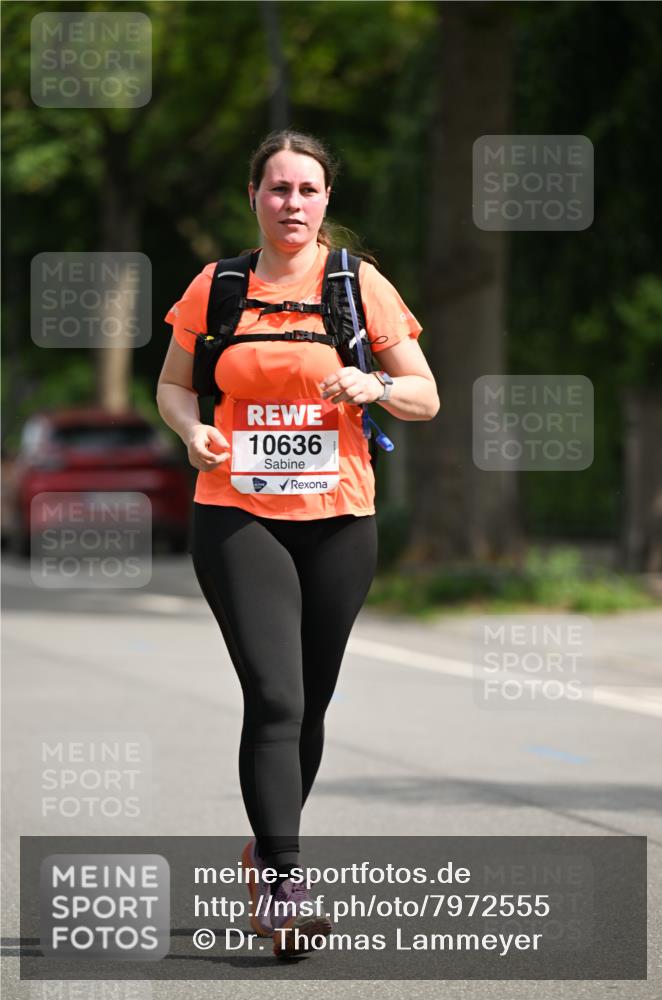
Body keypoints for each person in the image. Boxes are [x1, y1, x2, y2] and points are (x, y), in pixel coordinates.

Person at [156, 129, 439, 958]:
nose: (292, 204)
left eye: (307, 191)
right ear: (254, 196)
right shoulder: (219, 286)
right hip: (237, 510)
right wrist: (190, 431)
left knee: (310, 702)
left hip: (341, 517)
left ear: (325, 203)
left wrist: (375, 381)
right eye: (278, 189)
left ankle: (262, 852)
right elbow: (175, 385)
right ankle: (285, 880)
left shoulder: (357, 287)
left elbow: (423, 395)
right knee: (275, 697)